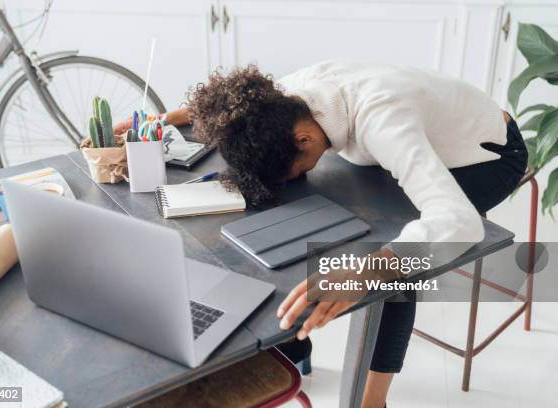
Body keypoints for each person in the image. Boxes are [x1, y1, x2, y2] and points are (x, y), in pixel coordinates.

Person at [115, 61, 527, 407]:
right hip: (406, 140)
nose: (303, 170)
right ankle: (296, 347)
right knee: (290, 208)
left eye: (301, 162)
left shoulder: (383, 119)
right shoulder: (287, 102)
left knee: (397, 261)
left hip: (485, 155)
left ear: (305, 138)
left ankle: (371, 401)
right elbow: (239, 106)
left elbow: (458, 222)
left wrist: (369, 271)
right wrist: (162, 120)